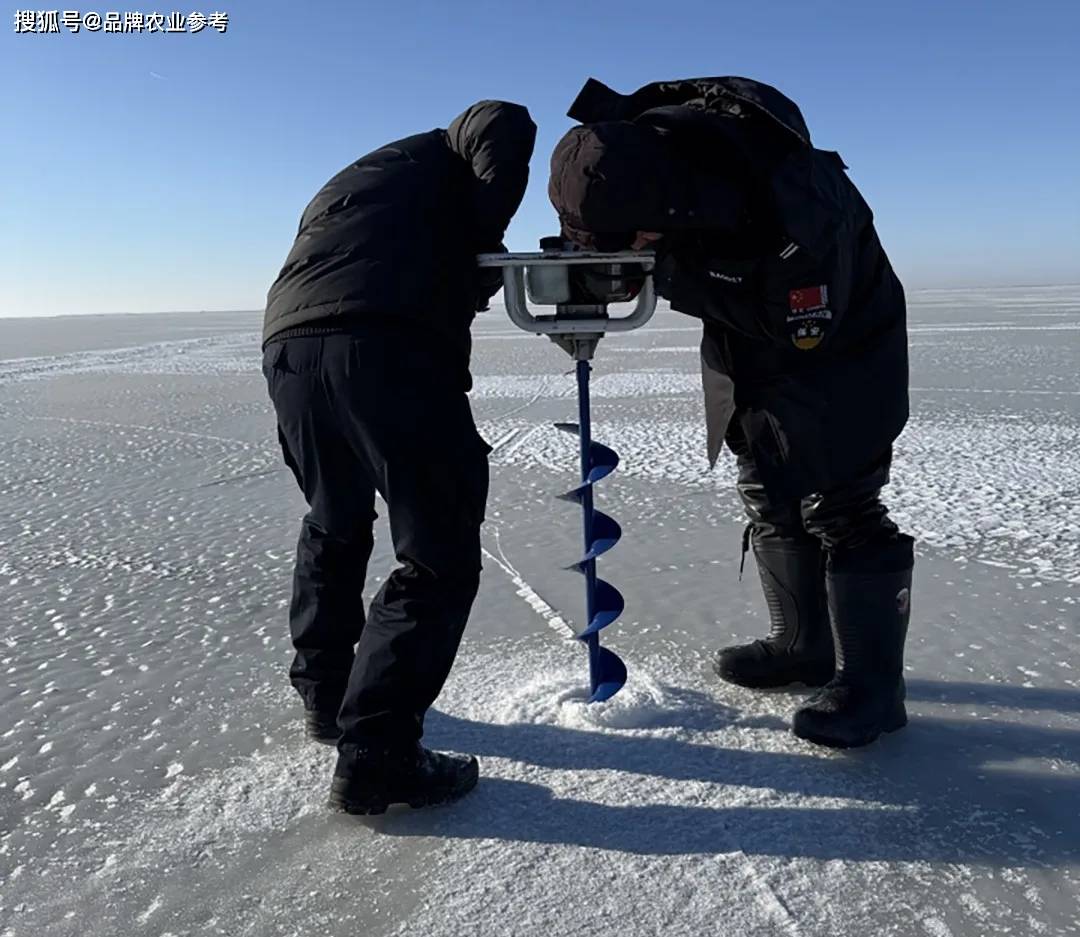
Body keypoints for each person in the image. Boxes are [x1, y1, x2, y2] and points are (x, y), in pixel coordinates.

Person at [548, 77, 915, 749]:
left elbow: (801, 324)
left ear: (665, 203)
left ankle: (874, 690)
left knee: (842, 507)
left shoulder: (796, 198)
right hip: (747, 357)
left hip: (842, 358)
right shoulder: (665, 169)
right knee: (768, 493)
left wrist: (668, 270)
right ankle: (801, 647)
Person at [262, 100, 536, 811]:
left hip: (290, 350)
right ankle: (378, 750)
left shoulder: (360, 176)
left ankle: (327, 696)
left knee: (334, 518)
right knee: (439, 552)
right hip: (387, 347)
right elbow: (502, 123)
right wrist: (482, 243)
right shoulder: (458, 138)